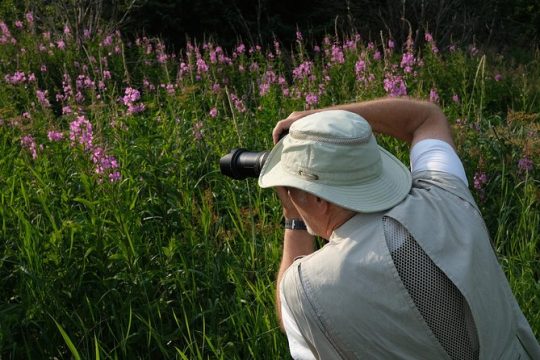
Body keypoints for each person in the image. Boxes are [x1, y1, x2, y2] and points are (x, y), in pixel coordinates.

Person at [257, 97, 540, 359]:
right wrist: (325, 119)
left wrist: (294, 218)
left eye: (292, 188)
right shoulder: (445, 193)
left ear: (318, 197)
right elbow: (426, 117)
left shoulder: (306, 288)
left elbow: (289, 314)